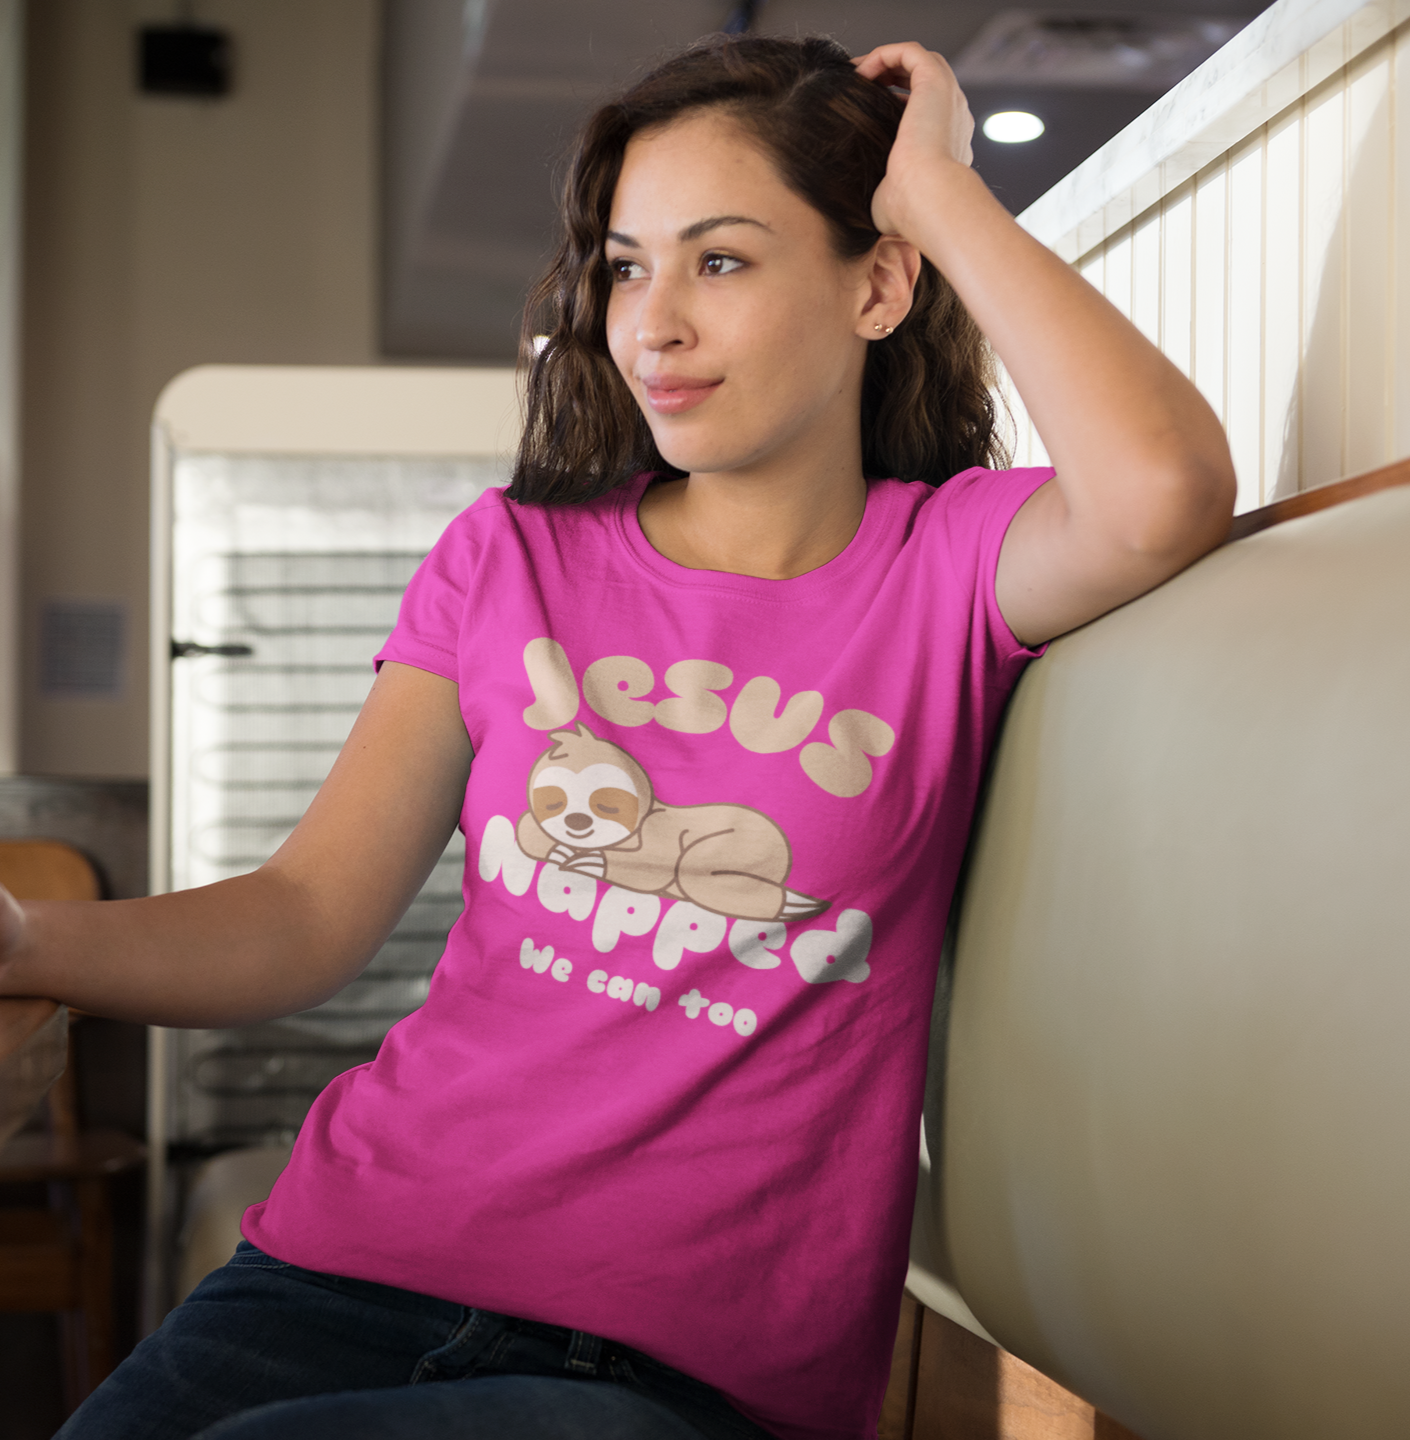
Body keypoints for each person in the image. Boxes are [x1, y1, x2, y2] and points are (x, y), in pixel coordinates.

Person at [2, 33, 1235, 1440]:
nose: (653, 324)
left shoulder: (947, 562)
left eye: (722, 260)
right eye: (627, 266)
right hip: (341, 1269)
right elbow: (303, 915)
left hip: (687, 1372)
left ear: (878, 285)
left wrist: (941, 191)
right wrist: (28, 944)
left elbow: (1165, 489)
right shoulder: (508, 555)